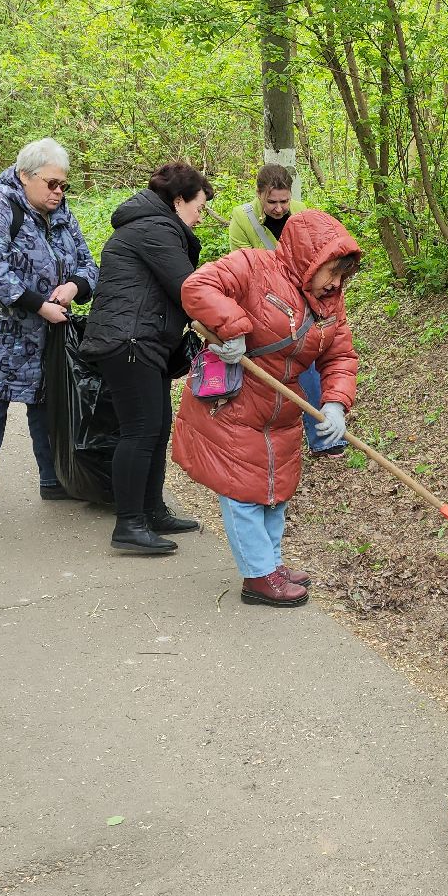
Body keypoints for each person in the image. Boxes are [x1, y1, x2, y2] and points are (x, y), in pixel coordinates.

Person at [175, 211, 359, 607]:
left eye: (345, 276)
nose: (337, 283)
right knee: (243, 493)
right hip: (235, 405)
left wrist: (335, 402)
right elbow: (197, 286)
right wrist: (233, 328)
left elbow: (340, 357)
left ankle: (270, 565)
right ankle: (258, 577)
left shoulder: (330, 303)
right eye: (333, 272)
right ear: (310, 258)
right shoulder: (254, 266)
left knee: (276, 490)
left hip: (282, 412)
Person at [0, 138, 98, 522]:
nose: (59, 192)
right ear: (25, 176)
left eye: (64, 185)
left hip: (45, 335)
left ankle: (54, 479)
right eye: (51, 184)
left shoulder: (62, 214)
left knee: (47, 406)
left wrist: (76, 286)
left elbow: (87, 261)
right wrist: (38, 304)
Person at [82, 161, 211, 554]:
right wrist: (229, 326)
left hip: (144, 340)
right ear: (177, 200)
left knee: (155, 427)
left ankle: (152, 511)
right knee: (140, 430)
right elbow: (189, 289)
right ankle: (129, 523)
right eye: (199, 207)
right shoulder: (155, 230)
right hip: (130, 341)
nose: (200, 217)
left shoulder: (152, 226)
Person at [226, 164, 339, 459]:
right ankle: (264, 440)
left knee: (310, 364)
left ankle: (323, 438)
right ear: (260, 194)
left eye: (284, 201)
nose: (279, 208)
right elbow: (243, 265)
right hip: (264, 307)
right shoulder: (243, 219)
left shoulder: (301, 212)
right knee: (270, 374)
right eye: (272, 201)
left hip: (302, 304)